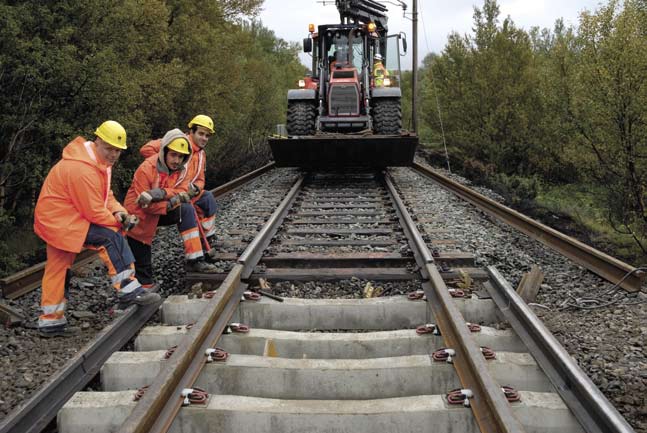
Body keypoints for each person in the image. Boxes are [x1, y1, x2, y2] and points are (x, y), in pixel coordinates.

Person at [33, 120, 161, 338]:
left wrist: (120, 212)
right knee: (111, 237)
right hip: (63, 222)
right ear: (97, 141)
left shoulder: (96, 163)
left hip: (57, 219)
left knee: (58, 268)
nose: (113, 154)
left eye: (117, 150)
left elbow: (105, 197)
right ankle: (128, 288)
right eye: (109, 148)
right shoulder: (83, 169)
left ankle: (50, 323)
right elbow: (93, 211)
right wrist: (120, 223)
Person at [125, 128, 219, 286]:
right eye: (173, 154)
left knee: (187, 209)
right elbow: (144, 205)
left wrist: (161, 193)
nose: (177, 160)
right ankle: (140, 297)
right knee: (143, 270)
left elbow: (183, 191)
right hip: (139, 218)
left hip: (163, 209)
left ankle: (195, 258)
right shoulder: (146, 169)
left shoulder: (181, 171)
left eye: (181, 156)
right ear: (165, 151)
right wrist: (170, 201)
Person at [140, 115, 219, 250]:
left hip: (186, 193)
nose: (204, 138)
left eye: (207, 135)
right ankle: (194, 256)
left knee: (208, 198)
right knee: (187, 210)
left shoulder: (201, 155)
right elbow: (145, 149)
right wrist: (164, 165)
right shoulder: (176, 142)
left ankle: (207, 239)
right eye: (201, 133)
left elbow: (200, 179)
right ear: (191, 132)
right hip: (168, 194)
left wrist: (196, 189)